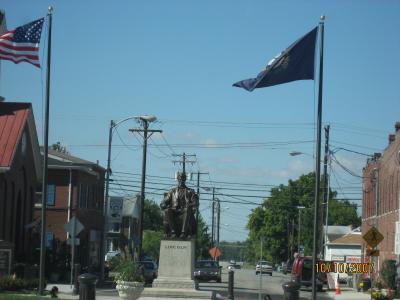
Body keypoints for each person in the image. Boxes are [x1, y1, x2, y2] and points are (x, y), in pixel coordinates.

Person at [160, 172, 198, 238]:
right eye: (180, 179)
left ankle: (183, 233)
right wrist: (164, 205)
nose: (181, 180)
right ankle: (173, 232)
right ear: (177, 179)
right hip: (174, 211)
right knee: (167, 210)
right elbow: (163, 202)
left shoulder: (190, 191)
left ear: (185, 179)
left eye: (183, 179)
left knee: (187, 210)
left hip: (185, 211)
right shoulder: (172, 191)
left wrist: (190, 205)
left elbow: (195, 202)